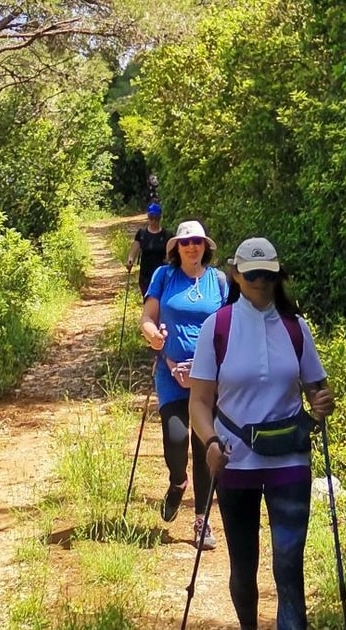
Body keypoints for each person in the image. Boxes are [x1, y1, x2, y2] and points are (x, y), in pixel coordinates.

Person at [187, 237, 335, 630]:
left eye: (269, 275)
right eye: (254, 276)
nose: (262, 283)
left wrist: (322, 404)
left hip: (290, 458)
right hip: (235, 460)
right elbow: (199, 402)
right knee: (244, 565)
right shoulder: (216, 328)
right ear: (236, 275)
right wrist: (211, 442)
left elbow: (317, 389)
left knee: (289, 565)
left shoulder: (295, 327)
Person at [139, 220, 229, 549]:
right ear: (176, 246)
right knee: (175, 441)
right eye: (186, 241)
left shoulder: (218, 282)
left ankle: (202, 521)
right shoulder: (164, 277)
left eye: (198, 241)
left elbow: (230, 325)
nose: (192, 246)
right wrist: (153, 337)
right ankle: (178, 482)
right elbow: (148, 318)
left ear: (206, 246)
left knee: (206, 447)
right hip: (171, 373)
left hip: (208, 380)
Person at [126, 203, 170, 296]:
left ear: (160, 218)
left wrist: (169, 259)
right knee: (147, 299)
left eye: (156, 218)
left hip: (162, 275)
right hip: (145, 275)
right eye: (151, 217)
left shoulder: (166, 235)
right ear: (148, 217)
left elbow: (170, 253)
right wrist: (130, 260)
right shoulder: (141, 234)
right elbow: (135, 249)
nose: (154, 221)